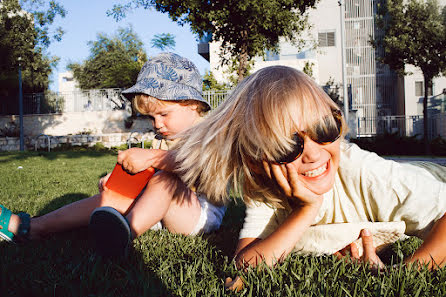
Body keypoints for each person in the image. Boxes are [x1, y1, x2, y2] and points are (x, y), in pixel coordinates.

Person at [171, 65, 446, 281]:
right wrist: (307, 209)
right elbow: (247, 265)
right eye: (289, 145)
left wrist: (404, 273)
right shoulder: (263, 187)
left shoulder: (366, 173)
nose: (314, 154)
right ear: (255, 161)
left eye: (324, 129)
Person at [0, 53, 226, 257]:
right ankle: (32, 227)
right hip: (161, 212)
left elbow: (201, 166)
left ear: (193, 105)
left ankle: (121, 237)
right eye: (151, 118)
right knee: (113, 197)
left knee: (165, 180)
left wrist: (152, 157)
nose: (157, 124)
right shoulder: (166, 138)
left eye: (164, 114)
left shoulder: (210, 133)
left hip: (198, 217)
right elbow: (153, 180)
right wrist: (122, 182)